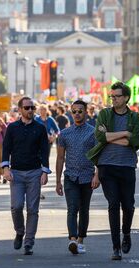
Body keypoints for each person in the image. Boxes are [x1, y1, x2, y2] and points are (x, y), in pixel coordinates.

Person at [86, 82, 139, 261]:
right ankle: (116, 247)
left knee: (128, 205)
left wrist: (115, 137)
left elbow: (135, 141)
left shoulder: (134, 117)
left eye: (117, 96)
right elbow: (100, 136)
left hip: (126, 166)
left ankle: (126, 233)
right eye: (112, 96)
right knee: (113, 204)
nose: (114, 99)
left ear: (126, 98)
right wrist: (125, 133)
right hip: (106, 166)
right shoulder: (104, 113)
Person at [1, 97, 50, 256]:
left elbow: (44, 151)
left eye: (32, 108)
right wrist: (5, 169)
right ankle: (20, 232)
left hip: (35, 172)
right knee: (16, 206)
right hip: (16, 173)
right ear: (20, 109)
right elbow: (6, 149)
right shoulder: (12, 128)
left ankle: (29, 242)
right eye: (27, 108)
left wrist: (45, 171)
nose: (30, 110)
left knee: (32, 209)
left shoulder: (40, 128)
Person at [56, 100, 99, 255]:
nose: (77, 114)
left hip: (87, 177)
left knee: (84, 209)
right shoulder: (65, 133)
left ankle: (81, 239)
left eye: (80, 111)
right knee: (72, 208)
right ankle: (72, 239)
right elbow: (60, 157)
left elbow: (99, 156)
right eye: (74, 111)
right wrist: (57, 181)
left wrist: (97, 175)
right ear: (70, 113)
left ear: (86, 112)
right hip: (70, 176)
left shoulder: (93, 132)